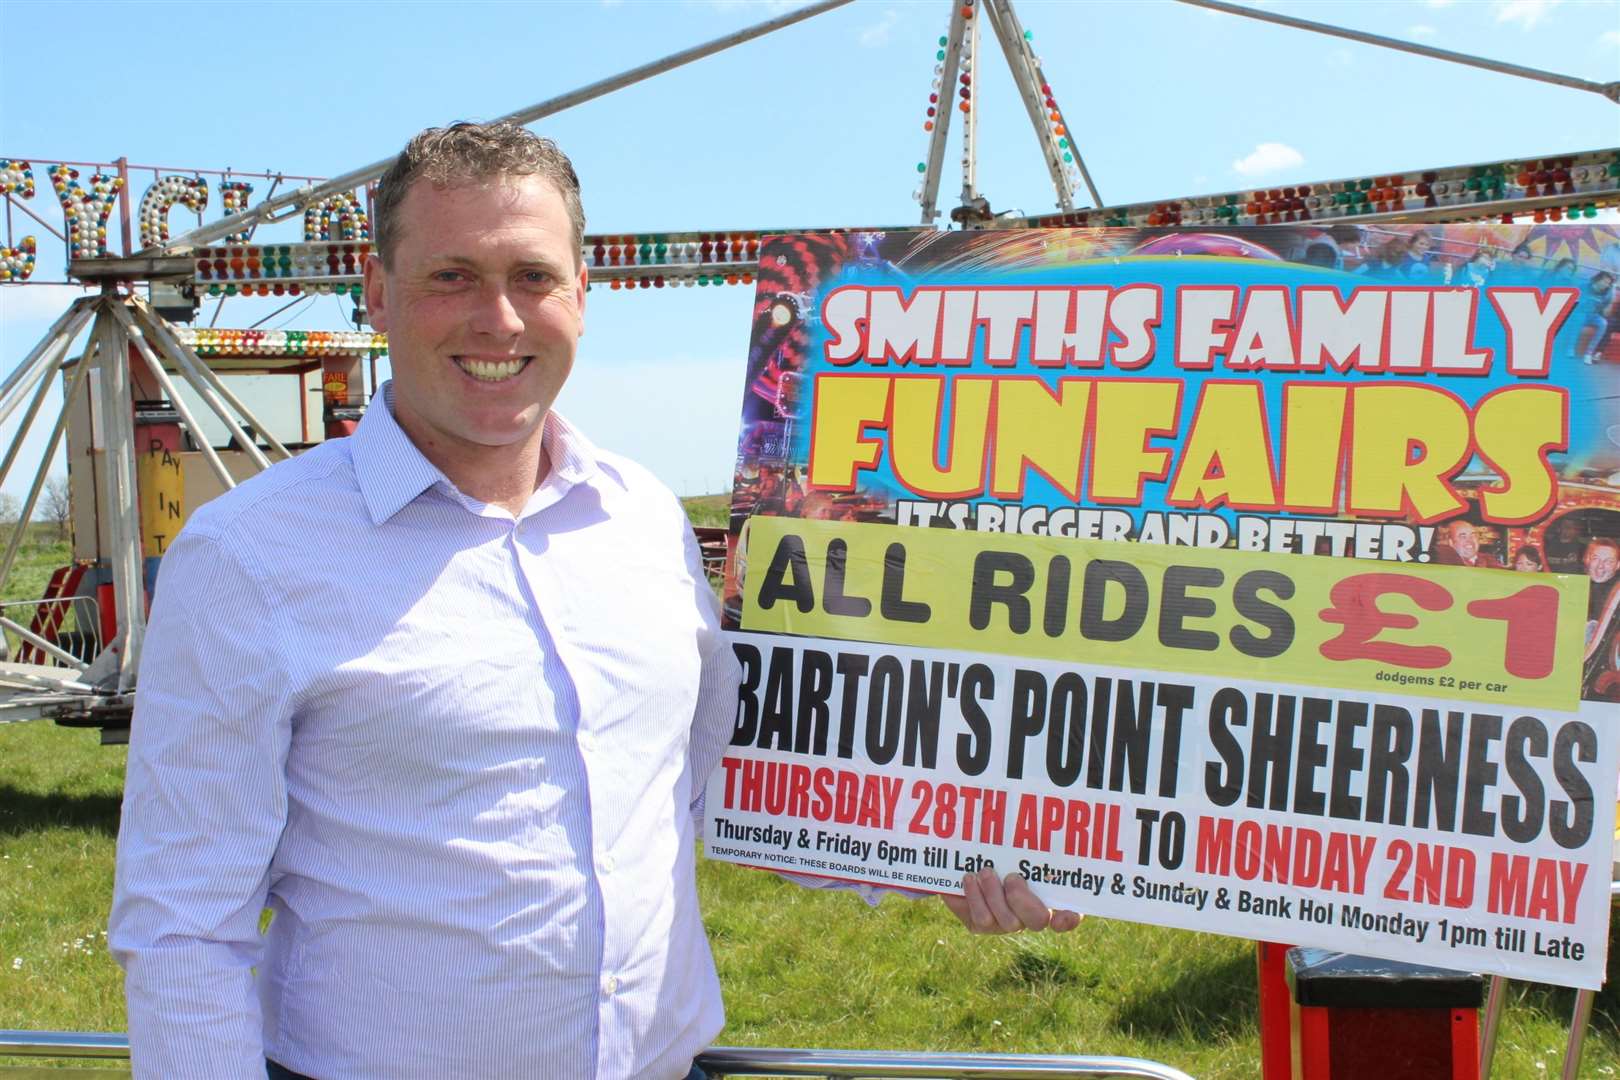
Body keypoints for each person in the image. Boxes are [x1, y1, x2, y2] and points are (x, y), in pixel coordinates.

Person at [109, 121, 1071, 1080]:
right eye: (452, 276)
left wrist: (938, 853)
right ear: (376, 291)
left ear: (582, 291)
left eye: (533, 276)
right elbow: (183, 924)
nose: (499, 319)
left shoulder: (645, 516)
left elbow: (706, 786)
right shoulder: (248, 555)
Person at [1432, 520, 1502, 568]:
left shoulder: (1490, 561)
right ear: (1450, 542)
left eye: (1473, 535)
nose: (1470, 540)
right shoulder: (1441, 561)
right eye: (1463, 536)